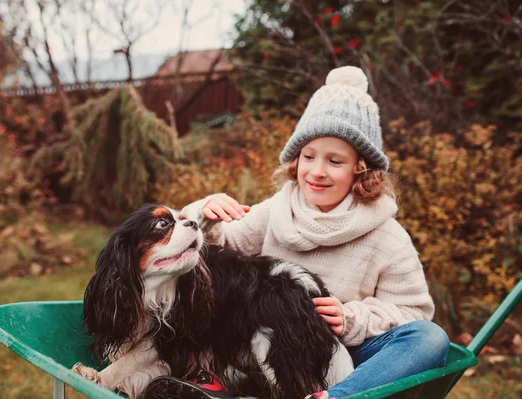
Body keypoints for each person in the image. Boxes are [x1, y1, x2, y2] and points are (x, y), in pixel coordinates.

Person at [143, 66, 450, 399]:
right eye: (308, 156)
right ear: (295, 160)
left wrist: (351, 318)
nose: (316, 172)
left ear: (361, 171)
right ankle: (225, 384)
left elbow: (413, 312)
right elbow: (213, 251)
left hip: (343, 353)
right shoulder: (278, 211)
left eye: (335, 161)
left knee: (430, 338)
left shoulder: (387, 236)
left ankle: (336, 398)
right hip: (264, 345)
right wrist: (205, 214)